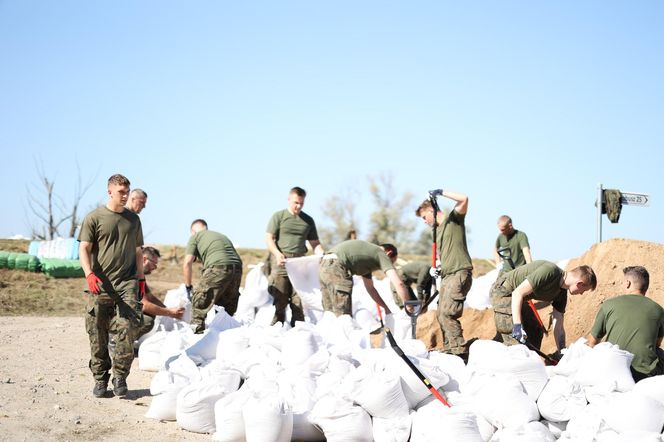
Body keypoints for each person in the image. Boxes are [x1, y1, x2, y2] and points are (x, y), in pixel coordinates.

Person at [78, 173, 144, 398]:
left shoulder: (133, 220)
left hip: (127, 283)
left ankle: (120, 377)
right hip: (100, 284)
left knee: (127, 328)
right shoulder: (94, 217)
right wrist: (88, 274)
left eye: (127, 192)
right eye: (121, 192)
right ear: (109, 192)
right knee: (97, 333)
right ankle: (100, 378)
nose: (125, 196)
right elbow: (84, 248)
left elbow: (138, 252)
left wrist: (141, 279)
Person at [415, 189, 473, 356]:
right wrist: (438, 267)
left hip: (459, 272)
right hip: (448, 275)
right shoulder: (438, 231)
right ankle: (450, 349)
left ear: (431, 210)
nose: (425, 222)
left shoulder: (453, 221)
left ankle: (459, 352)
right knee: (441, 315)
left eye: (424, 218)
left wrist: (440, 192)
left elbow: (464, 198)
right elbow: (445, 254)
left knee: (447, 313)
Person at [490, 260, 597, 351]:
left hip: (518, 299)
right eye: (584, 290)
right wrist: (517, 326)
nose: (582, 293)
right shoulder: (549, 271)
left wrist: (562, 351)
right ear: (579, 283)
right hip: (504, 292)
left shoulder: (561, 294)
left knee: (535, 331)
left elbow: (558, 327)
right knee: (514, 343)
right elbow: (517, 293)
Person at [586, 266, 664, 381]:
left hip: (613, 370)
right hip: (644, 375)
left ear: (628, 283)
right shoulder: (658, 310)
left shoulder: (609, 304)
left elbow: (592, 343)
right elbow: (656, 344)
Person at [265, 186, 324, 326]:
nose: (298, 206)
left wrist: (322, 255)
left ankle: (299, 331)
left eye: (301, 203)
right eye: (296, 202)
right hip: (282, 262)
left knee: (299, 300)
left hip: (299, 264)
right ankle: (277, 330)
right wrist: (278, 254)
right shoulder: (278, 216)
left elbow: (315, 243)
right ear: (289, 199)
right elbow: (269, 238)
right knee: (280, 300)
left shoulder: (308, 220)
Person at [319, 240, 411, 317]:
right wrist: (408, 305)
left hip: (323, 265)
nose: (388, 265)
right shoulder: (381, 253)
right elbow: (399, 283)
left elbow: (370, 289)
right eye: (391, 262)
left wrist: (386, 308)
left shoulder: (366, 261)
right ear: (389, 253)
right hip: (337, 267)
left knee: (330, 315)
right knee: (343, 317)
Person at [183, 219, 242, 334]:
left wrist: (188, 287)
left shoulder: (196, 237)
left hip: (218, 267)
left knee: (199, 302)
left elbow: (187, 263)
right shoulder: (220, 236)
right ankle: (224, 336)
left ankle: (196, 337)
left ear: (193, 231)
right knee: (224, 311)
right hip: (237, 268)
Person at [134, 246, 185, 341]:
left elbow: (150, 298)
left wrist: (169, 310)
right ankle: (118, 342)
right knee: (147, 321)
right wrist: (169, 313)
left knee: (153, 313)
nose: (155, 267)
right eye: (154, 263)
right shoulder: (133, 274)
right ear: (144, 259)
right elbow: (144, 305)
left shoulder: (140, 275)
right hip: (114, 313)